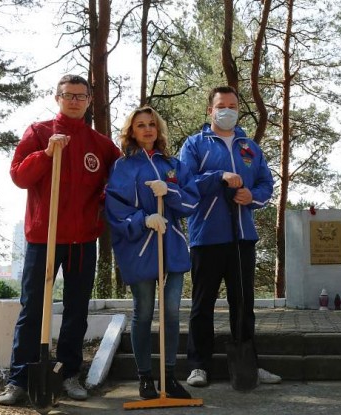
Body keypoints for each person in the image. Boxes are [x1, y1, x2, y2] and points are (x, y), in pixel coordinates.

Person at [0, 74, 121, 406]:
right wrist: (47, 155)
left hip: (82, 241)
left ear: (90, 101)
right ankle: (19, 379)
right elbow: (19, 176)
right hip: (44, 239)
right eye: (69, 95)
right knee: (33, 310)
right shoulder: (39, 133)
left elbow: (121, 180)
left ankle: (68, 374)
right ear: (57, 97)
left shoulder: (100, 144)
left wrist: (104, 200)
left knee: (76, 311)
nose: (75, 101)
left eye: (81, 96)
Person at [178, 86, 280, 387]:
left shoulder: (249, 147)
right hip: (207, 236)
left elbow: (265, 183)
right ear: (210, 110)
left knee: (243, 303)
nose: (227, 110)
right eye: (221, 105)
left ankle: (248, 364)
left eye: (233, 105)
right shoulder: (195, 144)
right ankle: (199, 366)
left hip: (242, 237)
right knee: (202, 304)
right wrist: (218, 176)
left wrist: (253, 196)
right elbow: (185, 184)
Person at [105, 107, 199, 400]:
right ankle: (145, 377)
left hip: (171, 246)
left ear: (158, 129)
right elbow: (114, 206)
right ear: (131, 131)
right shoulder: (123, 166)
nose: (147, 130)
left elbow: (192, 201)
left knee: (171, 313)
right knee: (143, 312)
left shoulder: (173, 165)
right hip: (139, 247)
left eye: (151, 125)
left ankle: (168, 376)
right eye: (140, 125)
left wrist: (168, 192)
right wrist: (143, 219)